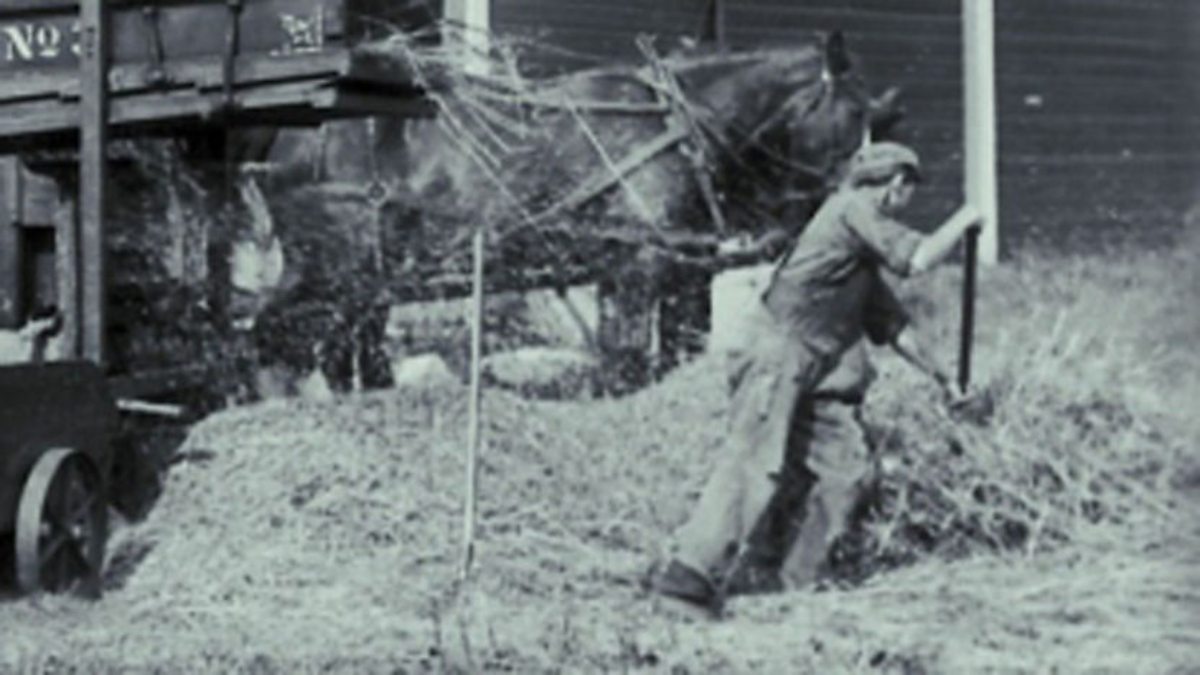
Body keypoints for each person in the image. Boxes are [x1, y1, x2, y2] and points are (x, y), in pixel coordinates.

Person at [650, 141, 982, 614]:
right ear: (895, 185)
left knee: (847, 470)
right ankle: (686, 580)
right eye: (909, 191)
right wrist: (965, 218)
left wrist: (945, 379)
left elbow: (895, 328)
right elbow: (918, 260)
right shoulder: (850, 209)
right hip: (777, 352)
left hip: (820, 368)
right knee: (754, 461)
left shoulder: (856, 257)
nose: (907, 202)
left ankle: (795, 584)